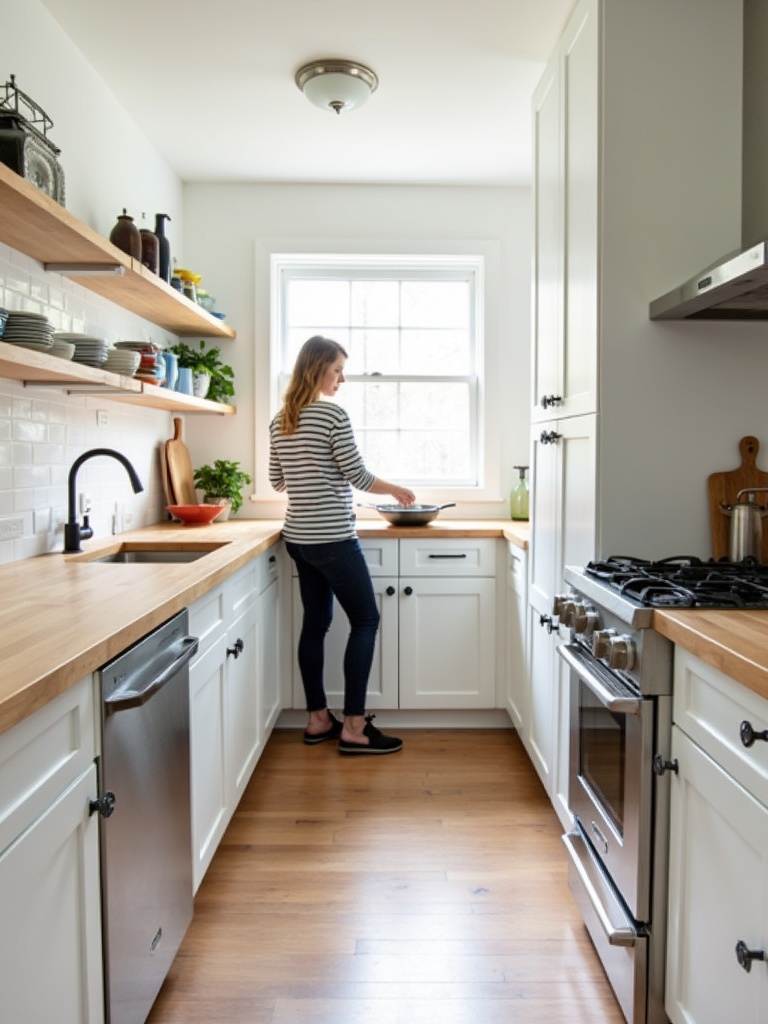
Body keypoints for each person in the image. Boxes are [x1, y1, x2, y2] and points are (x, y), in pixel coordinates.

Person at [269, 335, 415, 755]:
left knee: (315, 624)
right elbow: (358, 476)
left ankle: (318, 719)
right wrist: (397, 490)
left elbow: (278, 481)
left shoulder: (280, 420)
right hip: (333, 537)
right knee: (366, 620)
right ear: (317, 370)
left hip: (298, 537)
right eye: (337, 370)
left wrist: (306, 470)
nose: (342, 379)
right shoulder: (332, 415)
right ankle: (353, 727)